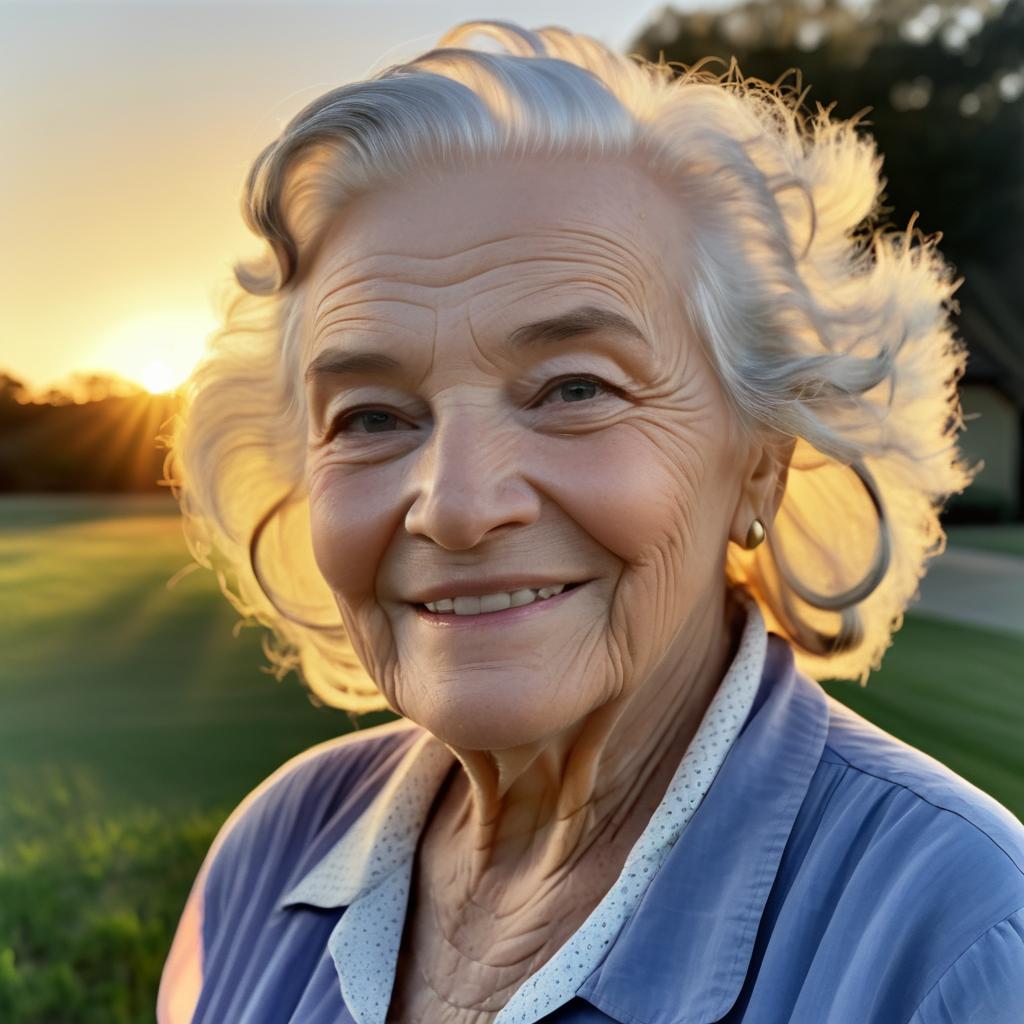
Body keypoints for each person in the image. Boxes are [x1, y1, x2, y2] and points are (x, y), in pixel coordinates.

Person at [156, 20, 1024, 1024]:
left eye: (575, 389)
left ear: (760, 461)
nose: (459, 505)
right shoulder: (269, 858)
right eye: (371, 417)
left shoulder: (957, 940)